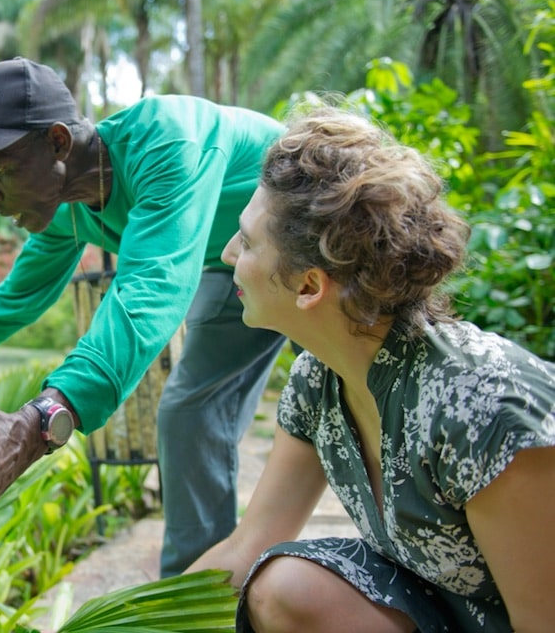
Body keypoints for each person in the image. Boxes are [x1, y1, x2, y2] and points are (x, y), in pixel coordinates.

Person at [0, 56, 286, 575]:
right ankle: (194, 597)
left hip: (316, 235)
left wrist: (34, 425)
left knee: (351, 391)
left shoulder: (166, 141)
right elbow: (19, 295)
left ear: (58, 143)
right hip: (233, 264)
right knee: (187, 415)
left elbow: (150, 290)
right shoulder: (68, 208)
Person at [188, 106, 555, 632]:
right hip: (448, 613)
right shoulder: (319, 381)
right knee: (282, 586)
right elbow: (248, 546)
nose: (226, 255)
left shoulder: (484, 407)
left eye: (246, 241)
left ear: (309, 286)